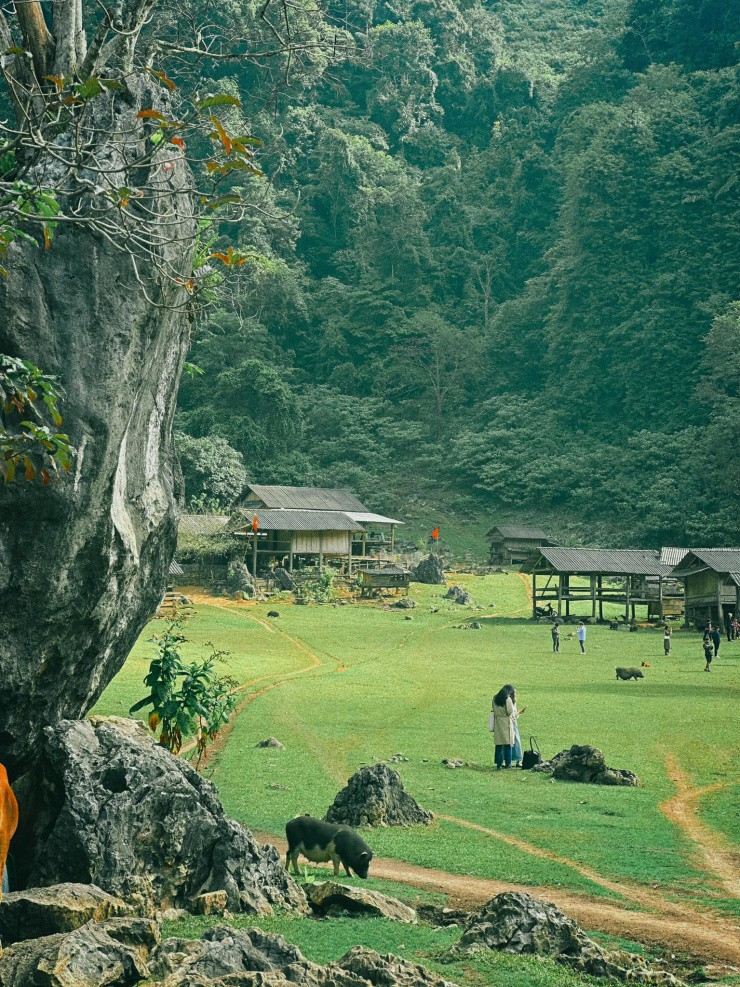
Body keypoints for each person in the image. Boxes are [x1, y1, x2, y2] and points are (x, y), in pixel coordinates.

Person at [492, 685, 524, 770]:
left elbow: (494, 709)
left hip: (498, 722)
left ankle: (498, 763)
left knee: (498, 744)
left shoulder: (495, 698)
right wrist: (518, 712)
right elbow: (509, 711)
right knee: (508, 744)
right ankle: (508, 763)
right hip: (506, 723)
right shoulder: (508, 699)